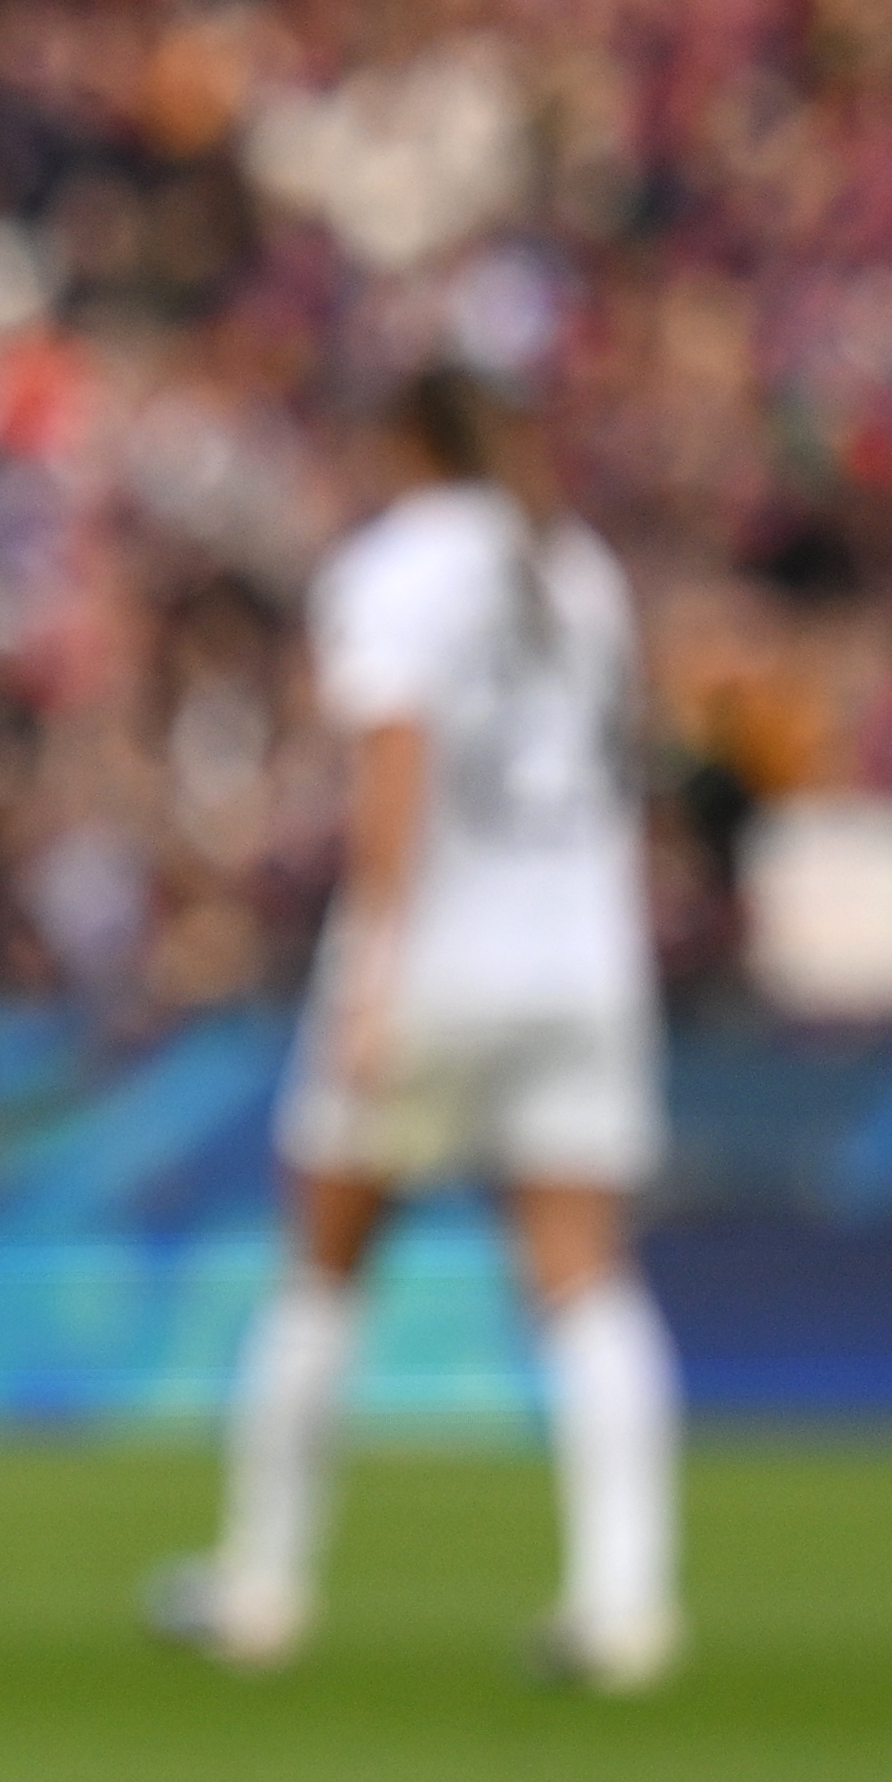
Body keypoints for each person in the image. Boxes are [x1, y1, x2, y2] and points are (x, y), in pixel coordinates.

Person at [155, 365, 682, 1689]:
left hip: (441, 954)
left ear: (403, 443)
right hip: (580, 959)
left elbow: (398, 766)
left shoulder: (398, 569)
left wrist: (374, 965)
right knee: (581, 1277)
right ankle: (623, 1603)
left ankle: (260, 1584)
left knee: (324, 1257)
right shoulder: (580, 572)